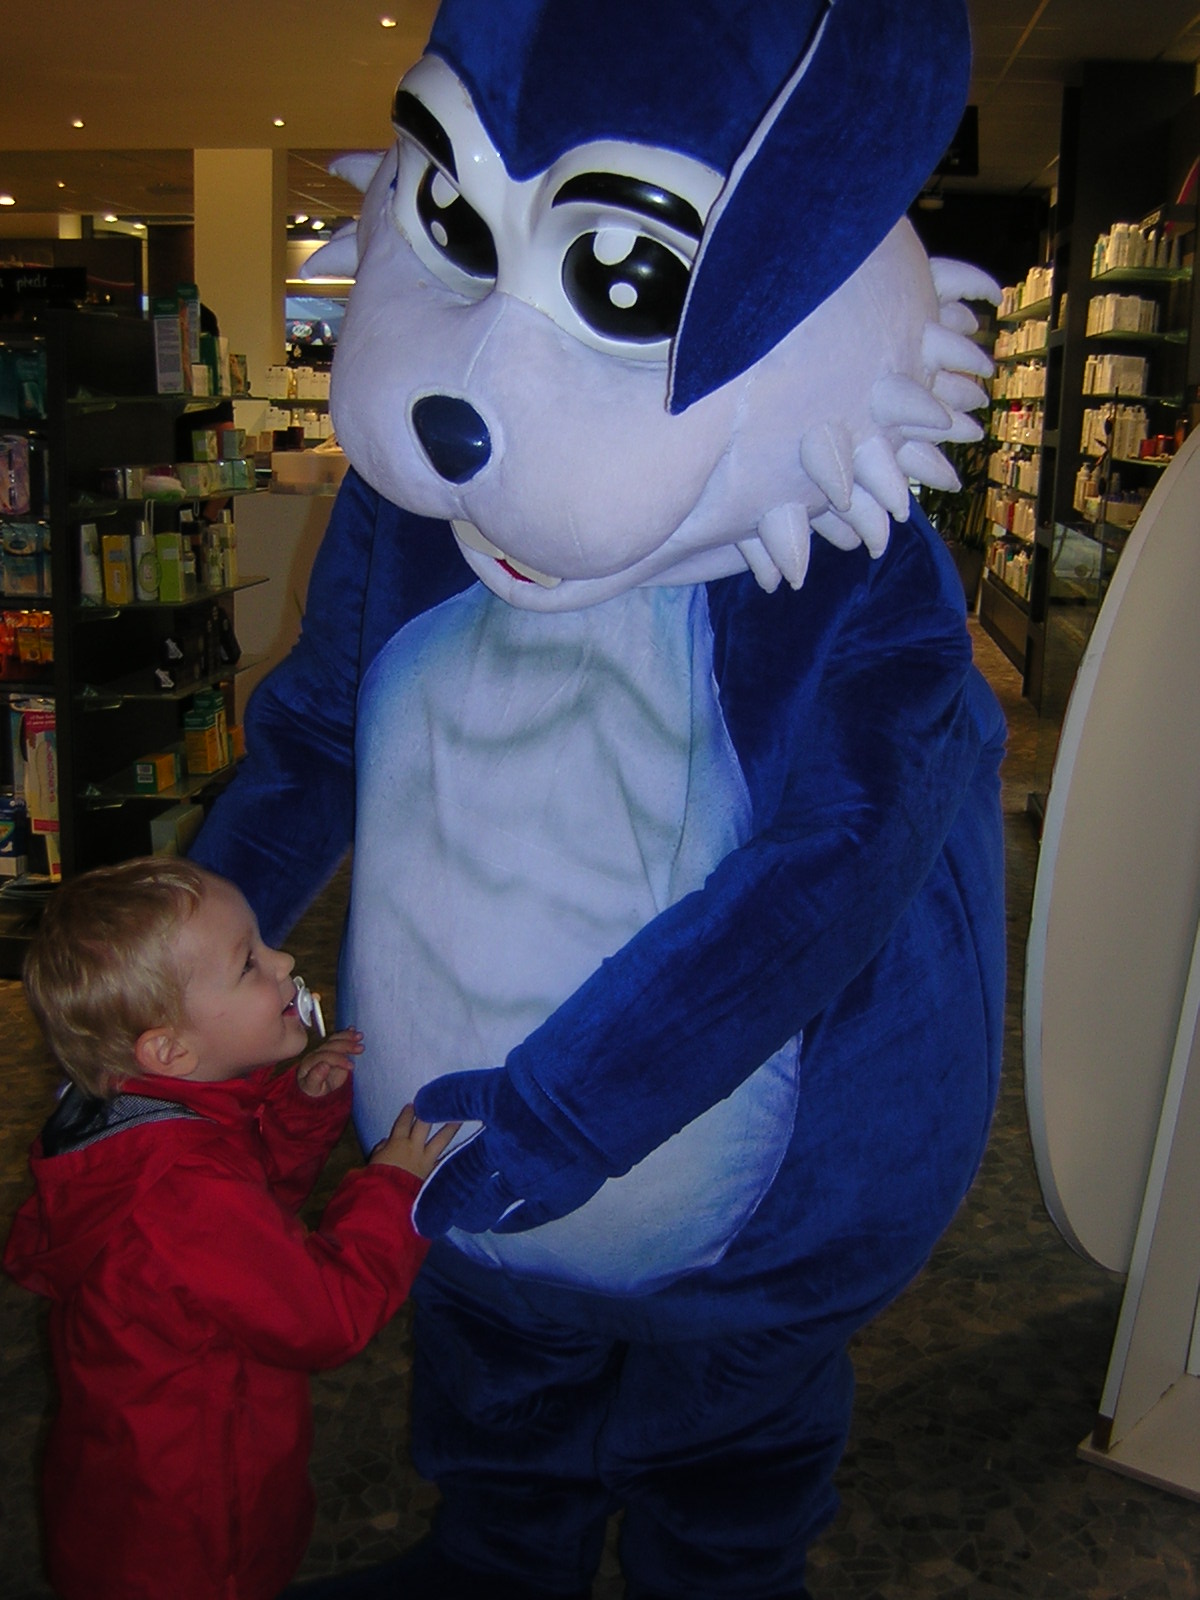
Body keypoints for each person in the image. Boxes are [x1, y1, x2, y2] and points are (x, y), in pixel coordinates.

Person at [3, 857, 457, 1600]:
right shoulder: (181, 1191)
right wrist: (392, 1189)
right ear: (170, 1049)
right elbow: (323, 1316)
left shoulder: (140, 1128)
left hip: (128, 1498)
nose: (285, 962)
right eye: (249, 962)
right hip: (196, 1536)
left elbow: (245, 1221)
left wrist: (296, 1111)